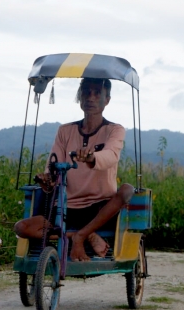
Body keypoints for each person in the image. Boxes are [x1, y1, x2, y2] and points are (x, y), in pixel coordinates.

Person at [14, 77, 134, 261]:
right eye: (86, 92)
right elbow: (53, 168)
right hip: (65, 207)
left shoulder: (114, 130)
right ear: (80, 97)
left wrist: (92, 158)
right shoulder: (65, 131)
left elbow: (111, 155)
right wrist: (48, 180)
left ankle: (80, 235)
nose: (90, 97)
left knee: (127, 190)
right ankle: (85, 235)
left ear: (107, 99)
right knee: (21, 228)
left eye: (97, 93)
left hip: (99, 209)